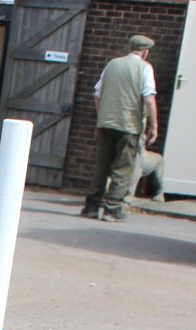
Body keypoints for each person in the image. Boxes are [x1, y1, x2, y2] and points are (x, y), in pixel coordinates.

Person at [82, 35, 160, 221]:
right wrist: (154, 126)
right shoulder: (145, 68)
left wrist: (101, 118)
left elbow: (97, 93)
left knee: (101, 166)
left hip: (106, 123)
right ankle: (112, 209)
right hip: (129, 126)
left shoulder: (112, 64)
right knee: (123, 168)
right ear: (146, 51)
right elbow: (149, 99)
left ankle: (91, 206)